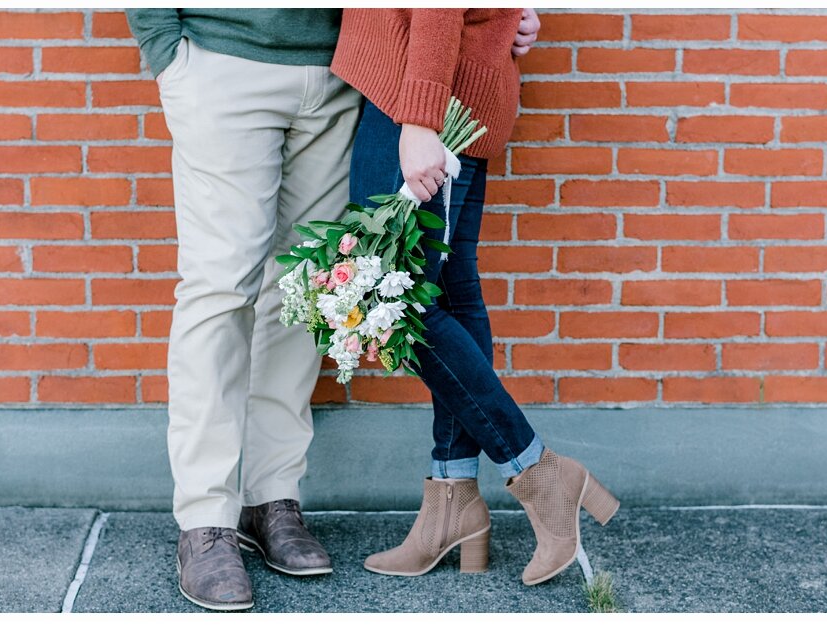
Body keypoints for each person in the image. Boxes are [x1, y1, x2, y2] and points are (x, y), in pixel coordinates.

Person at [125, 8, 544, 610]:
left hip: (342, 72)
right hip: (222, 59)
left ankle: (272, 498)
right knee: (218, 291)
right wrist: (166, 49)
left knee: (301, 291)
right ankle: (206, 518)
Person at [333, 8, 620, 586]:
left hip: (417, 94)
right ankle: (451, 502)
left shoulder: (416, 110)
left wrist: (418, 119)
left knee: (394, 296)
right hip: (458, 85)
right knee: (452, 290)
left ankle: (537, 468)